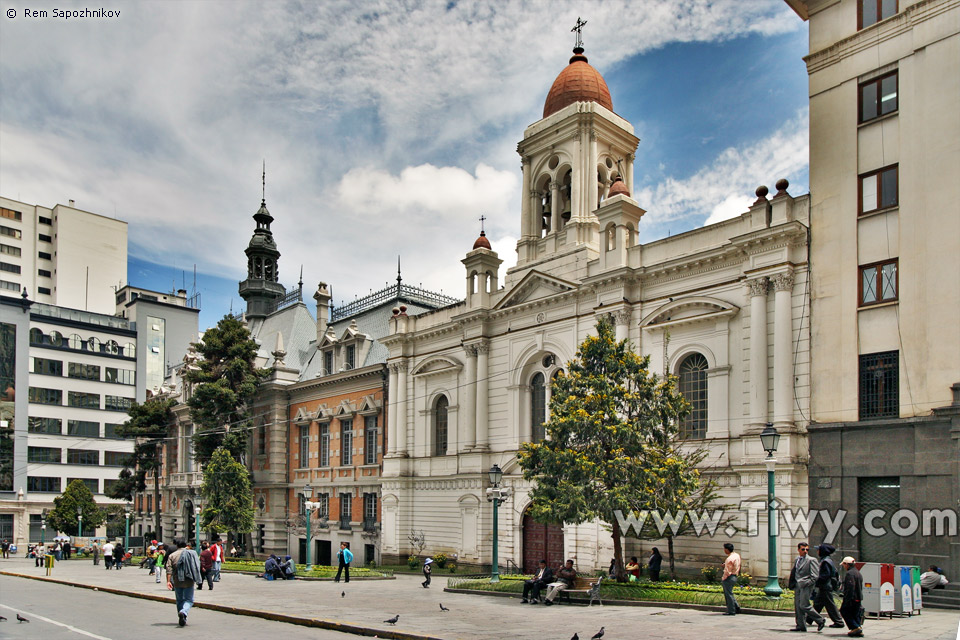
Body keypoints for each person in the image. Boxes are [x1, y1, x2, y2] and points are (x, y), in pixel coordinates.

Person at [788, 542, 825, 632]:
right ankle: (800, 626)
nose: (805, 551)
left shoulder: (812, 560)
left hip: (806, 585)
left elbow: (815, 576)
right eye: (803, 549)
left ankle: (820, 620)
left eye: (807, 549)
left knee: (804, 605)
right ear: (798, 550)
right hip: (797, 585)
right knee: (798, 606)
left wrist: (806, 583)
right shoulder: (797, 559)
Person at [166, 539, 202, 627]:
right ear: (185, 545)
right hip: (189, 579)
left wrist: (168, 581)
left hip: (177, 580)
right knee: (189, 599)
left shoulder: (172, 555)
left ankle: (181, 615)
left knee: (179, 600)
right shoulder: (191, 553)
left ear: (177, 546)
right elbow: (196, 565)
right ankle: (183, 612)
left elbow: (169, 569)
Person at [811, 543, 844, 628]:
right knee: (818, 603)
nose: (817, 551)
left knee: (830, 605)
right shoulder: (827, 560)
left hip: (825, 586)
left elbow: (825, 575)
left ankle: (839, 622)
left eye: (818, 549)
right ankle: (809, 619)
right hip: (825, 586)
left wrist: (816, 581)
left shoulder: (825, 562)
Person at [838, 557, 864, 637]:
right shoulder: (857, 572)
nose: (844, 567)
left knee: (844, 611)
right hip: (858, 597)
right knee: (854, 614)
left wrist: (847, 599)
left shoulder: (850, 573)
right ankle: (857, 628)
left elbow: (850, 587)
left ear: (847, 564)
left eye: (844, 565)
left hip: (852, 598)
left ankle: (855, 627)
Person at [721, 543, 742, 616]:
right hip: (735, 575)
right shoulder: (736, 555)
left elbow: (727, 571)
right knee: (730, 593)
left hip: (729, 577)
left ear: (727, 549)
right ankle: (736, 607)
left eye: (724, 549)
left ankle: (731, 610)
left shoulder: (729, 559)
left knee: (728, 594)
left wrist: (724, 578)